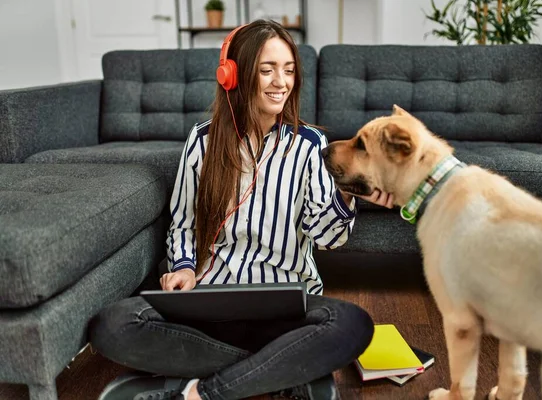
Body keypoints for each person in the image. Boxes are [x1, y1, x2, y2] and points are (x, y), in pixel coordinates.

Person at [89, 19, 394, 400]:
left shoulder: (310, 144)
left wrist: (349, 194)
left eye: (288, 70)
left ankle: (205, 391)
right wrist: (182, 267)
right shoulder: (202, 142)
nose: (280, 82)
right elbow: (182, 223)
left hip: (285, 316)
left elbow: (328, 237)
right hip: (211, 307)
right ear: (233, 75)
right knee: (112, 324)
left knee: (351, 324)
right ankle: (275, 369)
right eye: (267, 70)